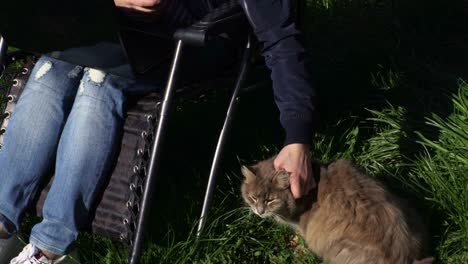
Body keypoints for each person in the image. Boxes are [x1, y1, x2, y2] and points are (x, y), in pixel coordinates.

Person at [0, 0, 317, 262]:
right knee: (49, 68)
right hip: (121, 30)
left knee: (99, 79)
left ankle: (51, 249)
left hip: (197, 41)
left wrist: (298, 136)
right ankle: (2, 224)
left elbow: (281, 38)